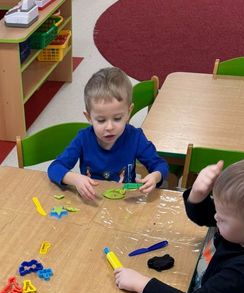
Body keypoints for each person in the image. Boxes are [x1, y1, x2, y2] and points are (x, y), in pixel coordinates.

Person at [114, 154, 244, 293]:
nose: (215, 217)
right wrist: (197, 194)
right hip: (203, 289)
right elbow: (206, 216)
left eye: (222, 219)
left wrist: (141, 283)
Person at [47, 67, 169, 200]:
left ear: (129, 112)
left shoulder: (135, 137)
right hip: (93, 200)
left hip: (125, 202)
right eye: (101, 120)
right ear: (89, 117)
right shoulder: (83, 139)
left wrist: (155, 176)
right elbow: (54, 168)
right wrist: (74, 179)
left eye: (117, 118)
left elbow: (160, 165)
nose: (109, 127)